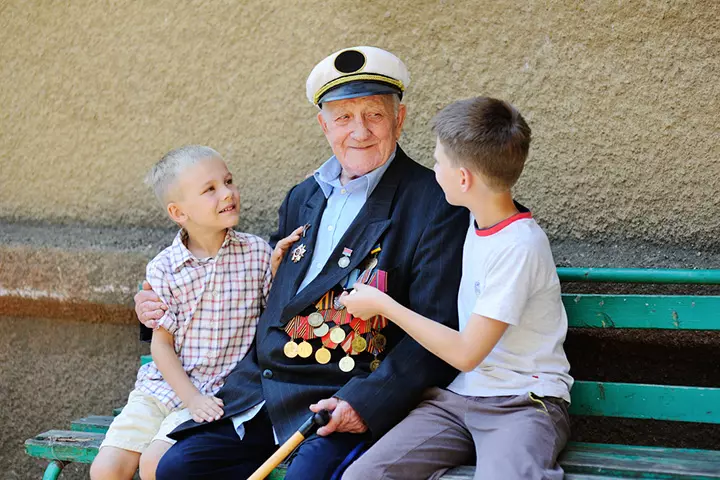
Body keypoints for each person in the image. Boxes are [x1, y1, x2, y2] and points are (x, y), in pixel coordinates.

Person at [134, 46, 469, 480]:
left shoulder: (434, 204)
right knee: (179, 468)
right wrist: (155, 311)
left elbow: (437, 332)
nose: (360, 131)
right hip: (263, 391)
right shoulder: (302, 197)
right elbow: (252, 289)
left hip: (341, 398)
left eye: (375, 115)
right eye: (344, 117)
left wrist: (364, 405)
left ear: (399, 119)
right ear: (324, 125)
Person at [340, 97, 574, 479]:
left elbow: (467, 353)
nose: (433, 171)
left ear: (463, 179)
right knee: (362, 476)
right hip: (458, 398)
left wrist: (384, 305)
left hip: (522, 403)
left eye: (438, 162)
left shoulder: (519, 247)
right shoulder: (472, 219)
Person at [91, 146, 301, 480]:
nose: (228, 193)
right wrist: (190, 398)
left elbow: (273, 319)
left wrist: (278, 271)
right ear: (178, 212)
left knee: (155, 465)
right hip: (163, 388)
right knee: (105, 469)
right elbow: (160, 345)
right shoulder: (165, 268)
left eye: (229, 181)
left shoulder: (257, 254)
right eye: (210, 189)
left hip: (217, 391)